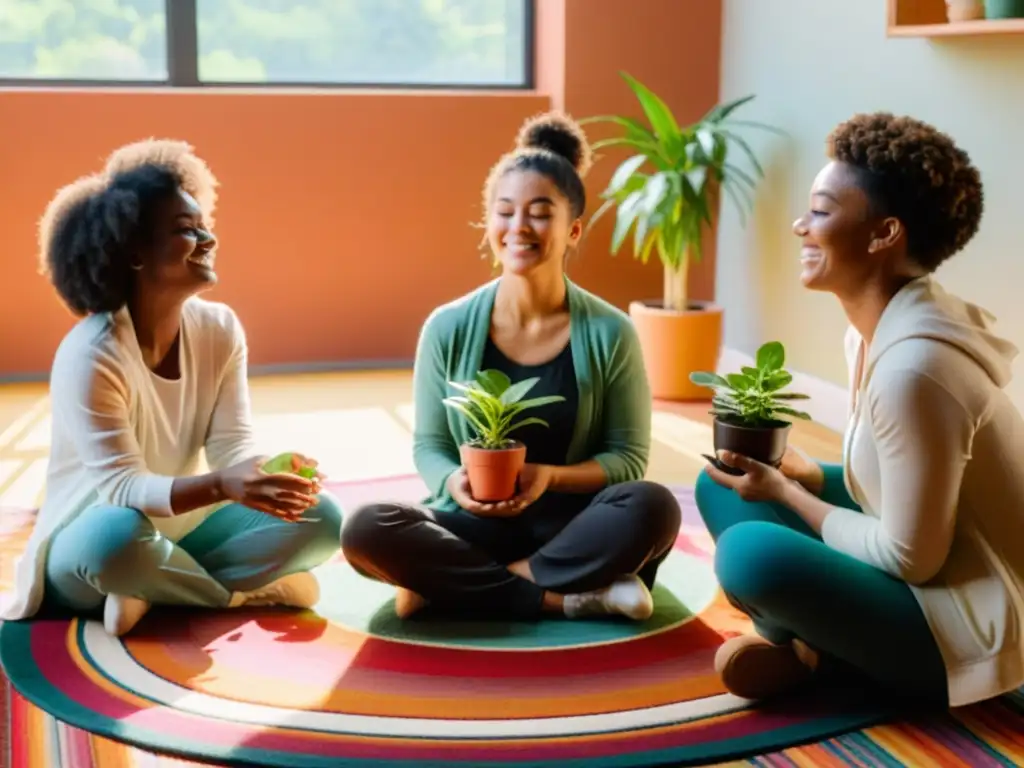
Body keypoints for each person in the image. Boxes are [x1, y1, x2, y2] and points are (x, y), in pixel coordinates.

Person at [696, 112, 1024, 709]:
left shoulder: (915, 370)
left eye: (820, 211)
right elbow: (899, 500)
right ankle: (817, 652)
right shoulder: (877, 333)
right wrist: (808, 477)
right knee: (722, 481)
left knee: (750, 553)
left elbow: (911, 557)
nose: (800, 225)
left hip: (969, 627)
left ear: (883, 235)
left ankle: (819, 656)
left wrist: (790, 495)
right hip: (926, 575)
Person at [341, 112, 681, 622]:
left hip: (571, 526)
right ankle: (563, 595)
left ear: (574, 230)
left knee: (653, 508)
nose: (519, 227)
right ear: (489, 223)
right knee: (366, 527)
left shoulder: (612, 332)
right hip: (473, 522)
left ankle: (459, 584)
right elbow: (429, 446)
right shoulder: (447, 326)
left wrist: (548, 477)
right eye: (505, 212)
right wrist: (455, 482)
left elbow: (627, 460)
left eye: (540, 213)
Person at [0, 139, 342, 637]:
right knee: (114, 540)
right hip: (89, 540)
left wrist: (264, 473)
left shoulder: (220, 328)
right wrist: (224, 485)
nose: (208, 238)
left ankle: (153, 591)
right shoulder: (91, 353)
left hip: (183, 532)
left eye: (205, 225)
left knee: (321, 518)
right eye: (187, 230)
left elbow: (230, 445)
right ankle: (236, 595)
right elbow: (121, 488)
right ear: (135, 253)